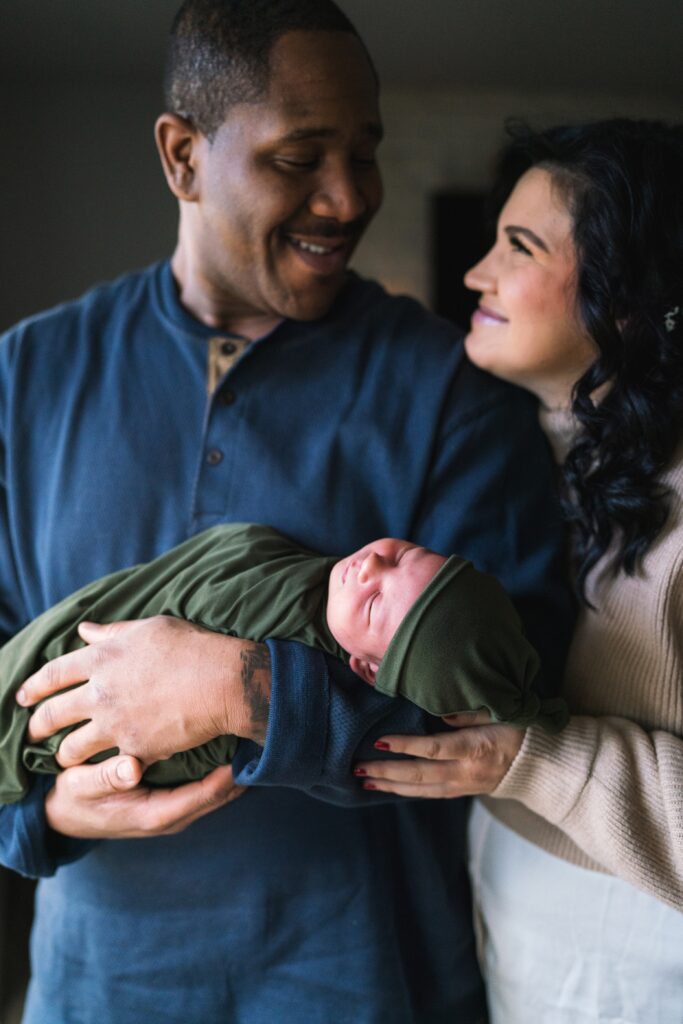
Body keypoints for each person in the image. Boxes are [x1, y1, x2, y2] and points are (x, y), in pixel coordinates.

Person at [0, 3, 573, 1022]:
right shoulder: (26, 374)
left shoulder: (453, 390)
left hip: (368, 978)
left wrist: (248, 691)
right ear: (182, 157)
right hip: (97, 983)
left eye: (364, 151)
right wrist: (40, 808)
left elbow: (509, 700)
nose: (349, 195)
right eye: (300, 155)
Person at [355, 118, 683, 1023]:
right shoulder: (516, 465)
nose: (474, 273)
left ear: (622, 297)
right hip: (518, 943)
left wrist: (531, 758)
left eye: (519, 245)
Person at [2, 521, 563, 803]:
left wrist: (231, 688)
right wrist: (45, 821)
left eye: (372, 606)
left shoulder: (298, 633)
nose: (370, 568)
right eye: (402, 554)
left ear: (365, 670)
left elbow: (375, 742)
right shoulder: (33, 358)